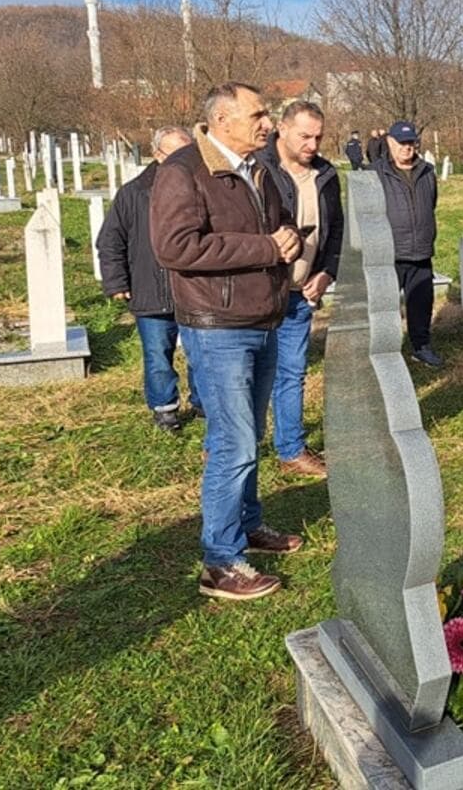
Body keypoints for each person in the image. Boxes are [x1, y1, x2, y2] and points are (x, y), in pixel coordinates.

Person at [150, 81, 304, 602]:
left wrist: (289, 239)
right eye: (258, 114)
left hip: (263, 320)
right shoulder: (184, 172)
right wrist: (265, 247)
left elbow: (280, 230)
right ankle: (220, 561)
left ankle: (247, 527)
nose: (267, 123)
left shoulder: (258, 168)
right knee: (233, 442)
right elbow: (174, 247)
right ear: (222, 122)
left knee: (248, 436)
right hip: (217, 327)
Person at [97, 126, 203, 433]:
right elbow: (111, 240)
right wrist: (116, 282)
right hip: (150, 289)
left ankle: (203, 403)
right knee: (158, 355)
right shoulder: (134, 193)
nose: (186, 161)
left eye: (189, 153)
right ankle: (165, 409)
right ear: (157, 155)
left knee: (200, 351)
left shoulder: (201, 186)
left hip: (194, 290)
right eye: (177, 154)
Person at [256, 101, 341, 479]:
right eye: (305, 136)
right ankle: (231, 448)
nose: (312, 144)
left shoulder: (326, 175)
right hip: (255, 294)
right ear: (282, 129)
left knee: (292, 372)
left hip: (299, 294)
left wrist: (326, 273)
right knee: (247, 373)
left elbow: (336, 232)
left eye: (318, 137)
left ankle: (290, 449)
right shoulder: (257, 170)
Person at [375, 121, 442, 367]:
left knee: (421, 304)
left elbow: (431, 204)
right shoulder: (376, 173)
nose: (407, 148)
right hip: (389, 253)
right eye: (401, 143)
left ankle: (421, 346)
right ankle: (386, 351)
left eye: (411, 143)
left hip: (421, 252)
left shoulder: (427, 171)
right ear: (390, 143)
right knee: (385, 307)